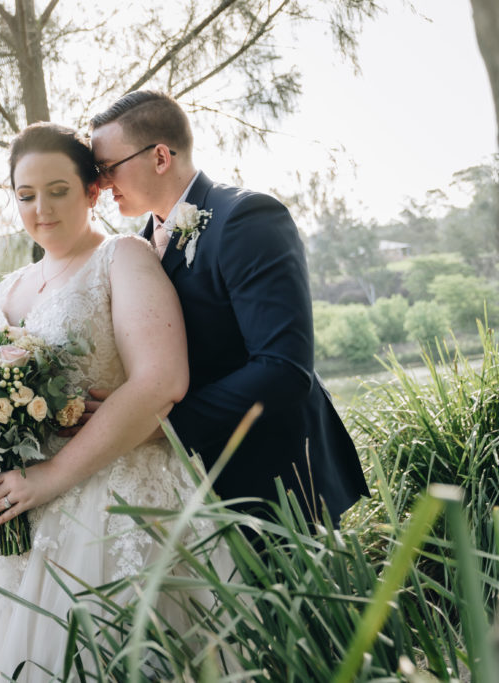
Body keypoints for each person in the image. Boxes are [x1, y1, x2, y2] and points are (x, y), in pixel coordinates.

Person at [0, 122, 202, 682]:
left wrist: (51, 476)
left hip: (108, 510)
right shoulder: (10, 287)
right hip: (14, 521)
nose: (41, 209)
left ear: (92, 191)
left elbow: (160, 382)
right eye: (26, 195)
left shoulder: (123, 258)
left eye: (58, 190)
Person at [86, 90, 370, 526]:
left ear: (160, 156)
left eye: (108, 168)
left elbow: (283, 368)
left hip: (277, 479)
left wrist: (160, 423)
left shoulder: (247, 217)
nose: (102, 184)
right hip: (197, 486)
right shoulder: (136, 250)